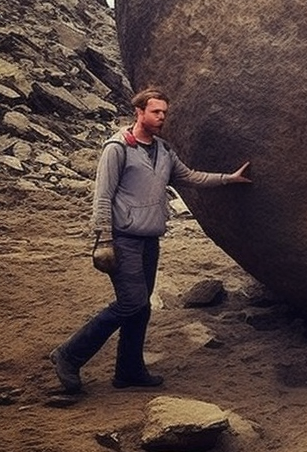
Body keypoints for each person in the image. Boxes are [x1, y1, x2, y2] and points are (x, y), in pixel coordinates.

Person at [49, 87, 251, 392]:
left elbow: (191, 176)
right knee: (131, 303)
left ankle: (128, 371)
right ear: (139, 112)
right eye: (156, 112)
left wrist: (229, 179)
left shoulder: (164, 151)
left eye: (165, 113)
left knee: (140, 308)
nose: (161, 118)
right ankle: (68, 355)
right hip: (122, 239)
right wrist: (104, 240)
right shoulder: (117, 148)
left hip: (149, 241)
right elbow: (102, 197)